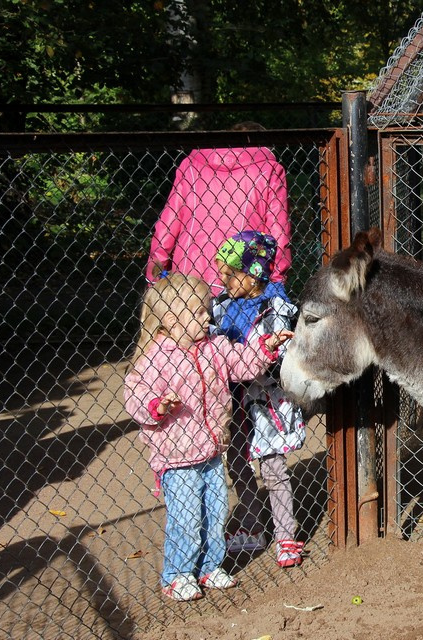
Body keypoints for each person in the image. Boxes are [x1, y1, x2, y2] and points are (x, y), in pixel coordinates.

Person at [122, 274, 292, 601]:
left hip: (212, 450)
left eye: (206, 310)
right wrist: (156, 405)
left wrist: (264, 348)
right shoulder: (157, 357)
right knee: (186, 518)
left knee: (215, 514)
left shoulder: (214, 347)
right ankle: (177, 574)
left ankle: (209, 566)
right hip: (176, 456)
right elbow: (135, 393)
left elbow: (242, 363)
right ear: (171, 320)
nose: (207, 317)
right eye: (198, 312)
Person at [211, 231, 305, 568]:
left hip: (264, 400)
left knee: (273, 468)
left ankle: (286, 536)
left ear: (252, 275)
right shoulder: (221, 304)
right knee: (236, 462)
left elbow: (277, 357)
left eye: (228, 273)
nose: (221, 279)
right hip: (231, 400)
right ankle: (252, 524)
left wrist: (248, 357)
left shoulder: (276, 307)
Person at [145, 121, 292, 296]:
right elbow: (278, 232)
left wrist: (154, 277)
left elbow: (167, 227)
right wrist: (276, 282)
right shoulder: (269, 170)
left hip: (187, 278)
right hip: (241, 279)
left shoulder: (191, 166)